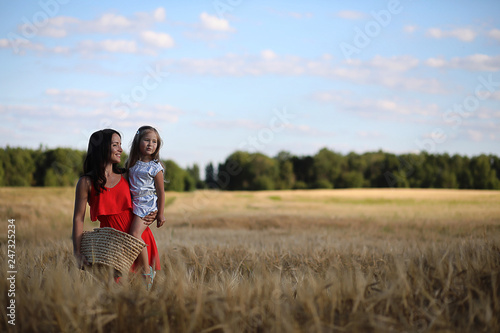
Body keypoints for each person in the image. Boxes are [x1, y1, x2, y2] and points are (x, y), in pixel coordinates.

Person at [72, 129, 161, 287]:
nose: (120, 149)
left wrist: (154, 212)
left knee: (142, 299)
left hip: (137, 243)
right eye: (115, 145)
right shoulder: (86, 183)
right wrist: (77, 253)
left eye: (120, 144)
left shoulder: (127, 175)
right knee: (114, 296)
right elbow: (78, 218)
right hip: (111, 247)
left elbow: (148, 193)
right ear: (102, 148)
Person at [125, 126, 166, 288]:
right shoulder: (131, 163)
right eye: (147, 140)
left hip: (146, 205)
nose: (151, 144)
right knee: (133, 234)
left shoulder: (156, 168)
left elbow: (161, 192)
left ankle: (147, 272)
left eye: (154, 141)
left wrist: (160, 213)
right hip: (133, 203)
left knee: (135, 234)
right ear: (138, 142)